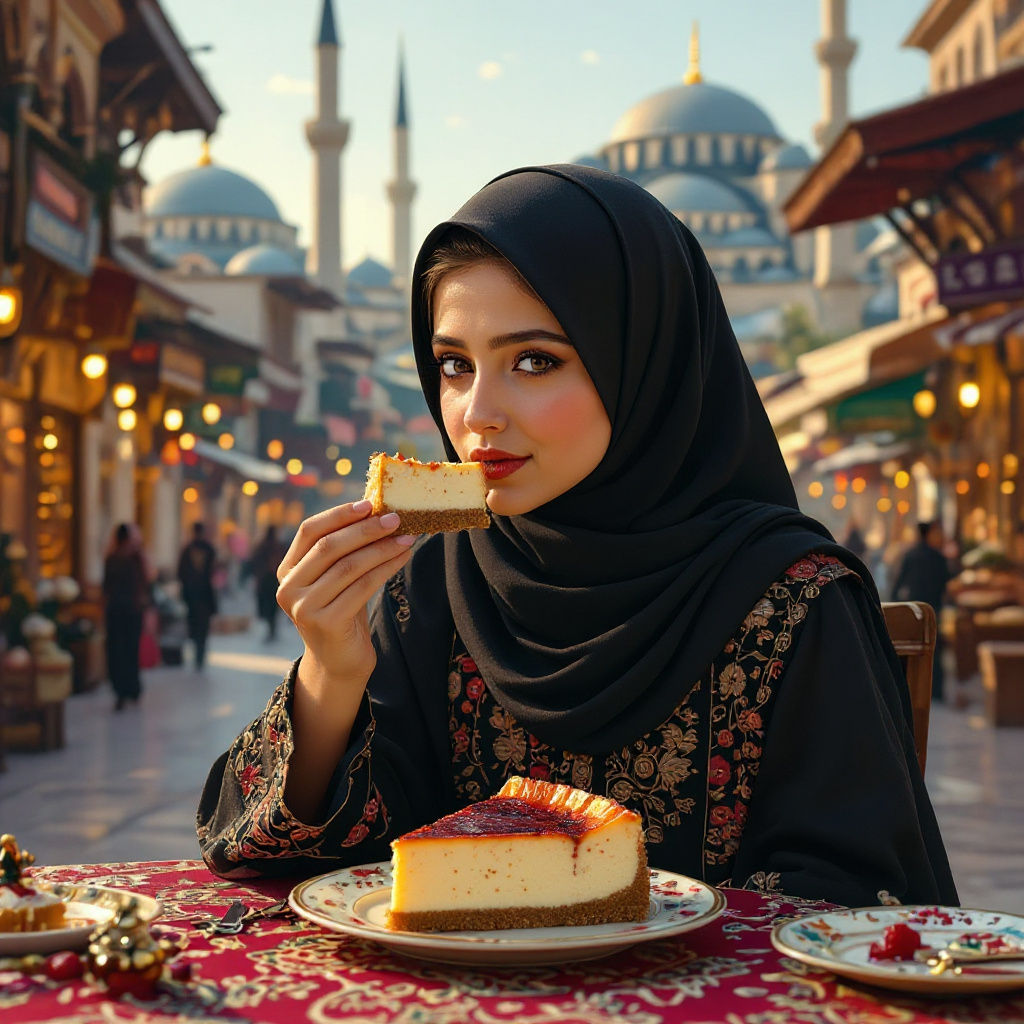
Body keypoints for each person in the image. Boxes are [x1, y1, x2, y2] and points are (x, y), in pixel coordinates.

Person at [197, 165, 957, 907]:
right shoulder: (435, 585)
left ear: (642, 362)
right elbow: (309, 865)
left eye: (534, 360)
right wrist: (330, 673)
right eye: (454, 365)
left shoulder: (791, 599)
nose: (477, 413)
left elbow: (858, 903)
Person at [891, 521, 952, 700]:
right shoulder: (938, 556)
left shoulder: (910, 555)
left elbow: (899, 582)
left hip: (914, 608)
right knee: (935, 647)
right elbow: (946, 580)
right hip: (933, 607)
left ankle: (912, 689)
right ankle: (937, 691)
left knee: (914, 648)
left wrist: (897, 604)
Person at [102, 522, 149, 710]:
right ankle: (131, 689)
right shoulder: (135, 559)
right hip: (131, 612)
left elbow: (106, 588)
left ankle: (122, 691)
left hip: (116, 612)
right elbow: (145, 584)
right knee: (130, 651)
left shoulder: (112, 559)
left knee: (118, 652)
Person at [177, 522, 218, 670]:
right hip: (205, 595)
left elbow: (180, 573)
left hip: (192, 596)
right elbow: (215, 570)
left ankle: (198, 654)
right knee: (203, 626)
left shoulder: (187, 550)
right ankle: (200, 654)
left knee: (194, 625)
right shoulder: (209, 549)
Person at [250, 525, 285, 641]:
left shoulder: (263, 546)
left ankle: (271, 629)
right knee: (272, 607)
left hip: (266, 582)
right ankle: (272, 629)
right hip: (274, 581)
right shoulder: (277, 546)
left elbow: (255, 562)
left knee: (269, 607)